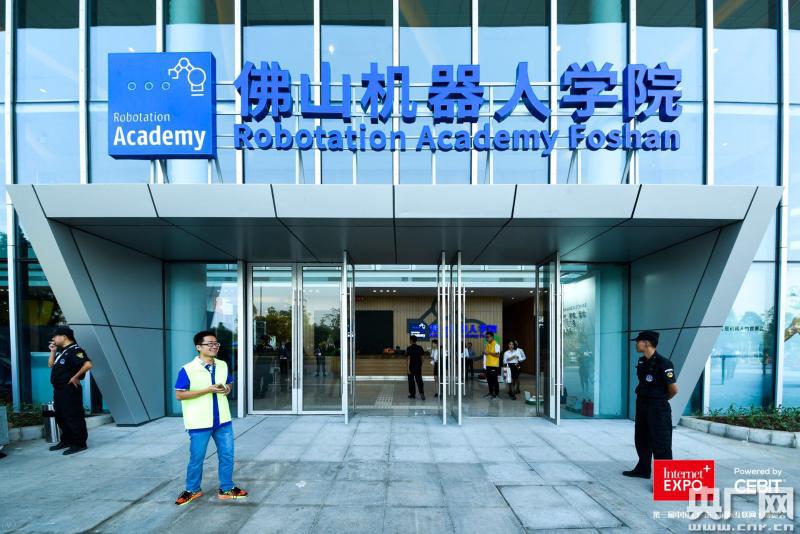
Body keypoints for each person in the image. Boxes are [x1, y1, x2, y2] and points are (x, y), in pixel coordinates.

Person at [174, 330, 248, 505]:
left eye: (216, 343)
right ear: (198, 347)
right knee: (197, 458)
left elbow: (229, 382)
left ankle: (226, 488)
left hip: (223, 420)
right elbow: (179, 395)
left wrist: (227, 389)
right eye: (210, 344)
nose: (214, 346)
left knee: (227, 455)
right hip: (199, 422)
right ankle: (192, 489)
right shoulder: (188, 369)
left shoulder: (222, 365)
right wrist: (207, 390)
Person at [623, 330, 678, 480]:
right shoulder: (642, 361)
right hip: (642, 405)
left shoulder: (664, 363)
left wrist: (659, 400)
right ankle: (643, 469)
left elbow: (673, 389)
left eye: (638, 341)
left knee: (661, 443)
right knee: (641, 439)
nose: (636, 343)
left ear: (646, 343)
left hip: (658, 408)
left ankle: (664, 481)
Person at [47, 326, 92, 455]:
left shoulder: (75, 350)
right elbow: (50, 365)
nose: (53, 339)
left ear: (64, 336)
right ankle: (67, 440)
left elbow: (88, 364)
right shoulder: (63, 351)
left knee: (72, 416)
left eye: (55, 336)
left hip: (69, 389)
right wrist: (53, 351)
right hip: (59, 389)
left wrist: (75, 377)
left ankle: (79, 443)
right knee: (60, 416)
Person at [482, 332, 502, 399]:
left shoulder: (496, 344)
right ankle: (490, 392)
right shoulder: (487, 345)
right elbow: (486, 354)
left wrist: (489, 353)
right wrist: (484, 353)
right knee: (489, 380)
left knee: (494, 380)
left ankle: (496, 393)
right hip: (488, 365)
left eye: (488, 337)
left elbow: (498, 355)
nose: (487, 338)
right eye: (486, 337)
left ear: (492, 337)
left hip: (494, 365)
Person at [406, 335, 425, 400]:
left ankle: (412, 394)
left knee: (411, 381)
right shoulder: (420, 348)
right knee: (419, 380)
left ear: (411, 340)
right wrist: (420, 364)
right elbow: (423, 358)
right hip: (418, 367)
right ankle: (422, 393)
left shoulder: (409, 348)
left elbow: (408, 359)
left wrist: (408, 368)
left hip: (411, 367)